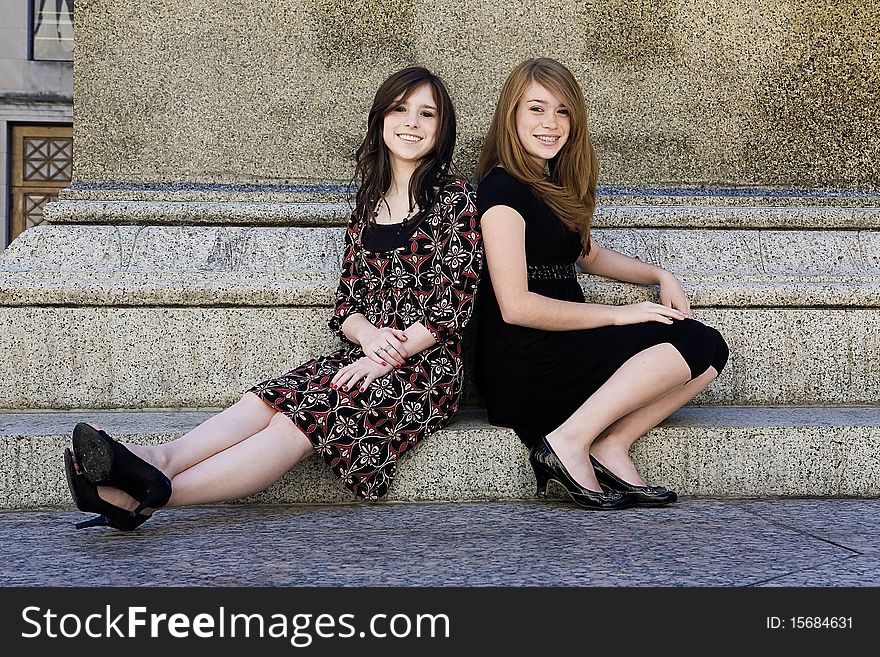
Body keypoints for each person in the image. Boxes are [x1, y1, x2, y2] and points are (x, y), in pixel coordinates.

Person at [63, 66, 483, 530]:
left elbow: (454, 304)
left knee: (296, 422)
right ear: (381, 118)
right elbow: (347, 306)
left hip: (424, 371)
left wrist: (388, 354)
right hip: (361, 353)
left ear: (442, 131)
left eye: (427, 114)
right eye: (401, 109)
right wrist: (366, 337)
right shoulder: (369, 203)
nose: (412, 122)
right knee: (266, 401)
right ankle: (155, 458)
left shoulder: (455, 199)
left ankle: (142, 497)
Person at [473, 57, 728, 510]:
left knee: (710, 351)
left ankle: (610, 445)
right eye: (536, 109)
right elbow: (516, 306)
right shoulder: (502, 191)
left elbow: (585, 254)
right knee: (692, 343)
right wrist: (620, 314)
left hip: (563, 346)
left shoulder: (549, 183)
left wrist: (658, 274)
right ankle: (568, 441)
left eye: (563, 111)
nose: (551, 123)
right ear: (510, 114)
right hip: (527, 358)